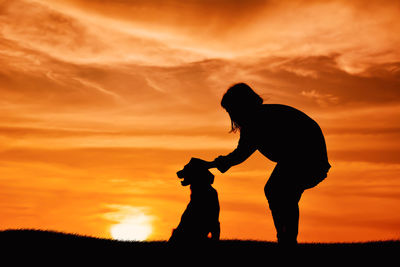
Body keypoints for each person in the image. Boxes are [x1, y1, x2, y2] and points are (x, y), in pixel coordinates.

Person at [199, 83, 331, 246]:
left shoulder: (256, 121)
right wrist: (210, 164)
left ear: (241, 106)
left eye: (231, 110)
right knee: (281, 194)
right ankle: (286, 239)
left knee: (278, 192)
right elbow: (240, 153)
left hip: (305, 158)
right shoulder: (261, 116)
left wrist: (209, 165)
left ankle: (286, 240)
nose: (231, 115)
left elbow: (240, 155)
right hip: (304, 159)